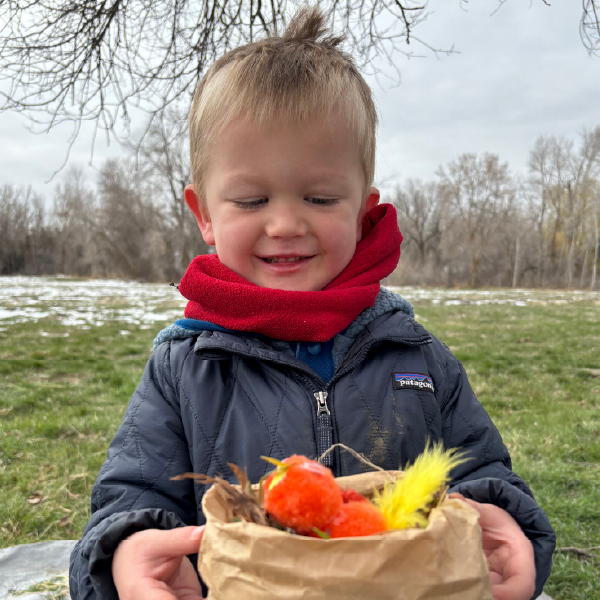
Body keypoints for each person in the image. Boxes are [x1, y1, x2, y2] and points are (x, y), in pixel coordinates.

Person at [69, 8, 555, 600]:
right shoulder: (184, 369)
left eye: (319, 197)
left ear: (361, 208)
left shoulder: (417, 358)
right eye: (250, 201)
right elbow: (129, 499)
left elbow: (482, 475)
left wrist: (504, 529)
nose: (285, 223)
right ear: (204, 215)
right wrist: (124, 557)